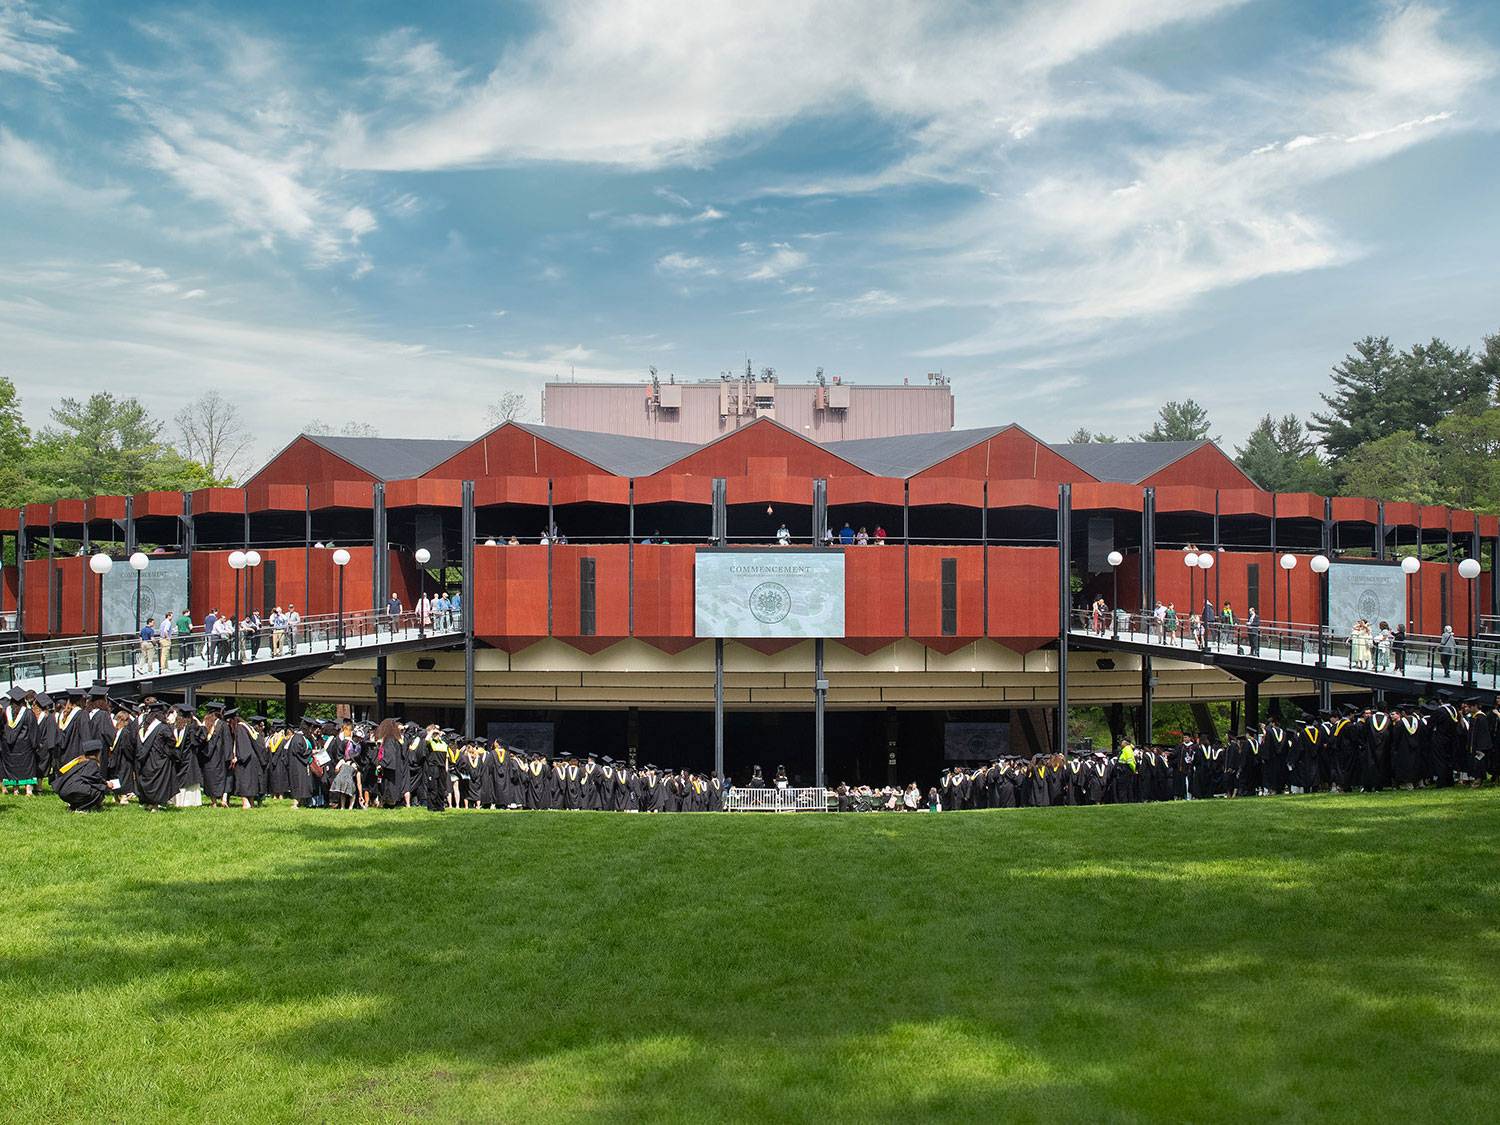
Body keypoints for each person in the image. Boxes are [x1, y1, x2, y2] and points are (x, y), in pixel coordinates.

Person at [2, 686, 38, 796]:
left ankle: (16, 790)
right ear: (23, 701)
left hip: (9, 747)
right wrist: (35, 744)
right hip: (25, 747)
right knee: (27, 767)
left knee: (12, 766)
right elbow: (33, 730)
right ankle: (28, 790)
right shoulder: (28, 713)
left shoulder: (5, 713)